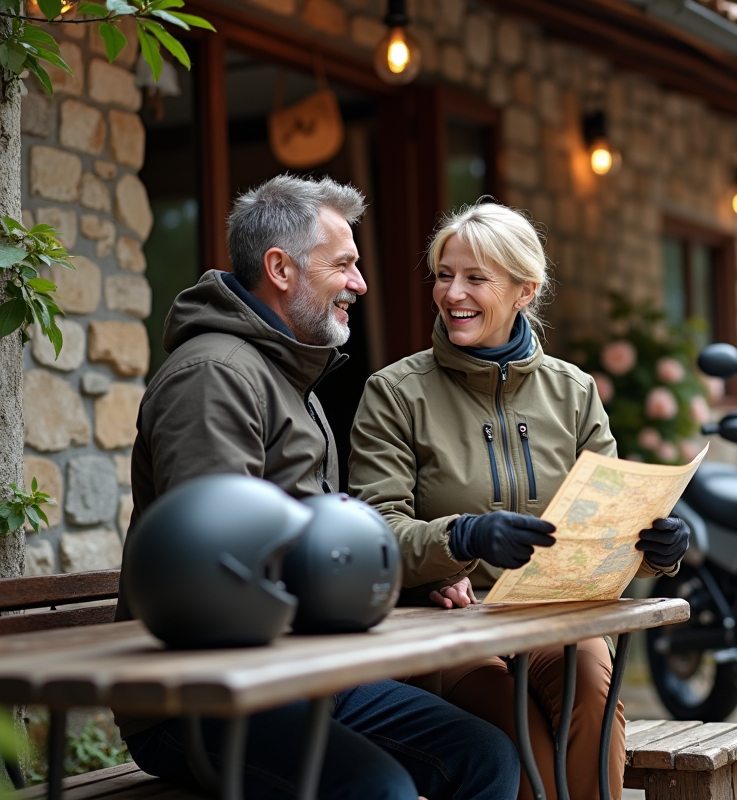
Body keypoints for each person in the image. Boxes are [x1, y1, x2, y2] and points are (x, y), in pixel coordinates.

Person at [116, 175, 520, 800]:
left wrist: (412, 572)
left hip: (299, 672)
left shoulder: (286, 375)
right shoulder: (214, 377)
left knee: (482, 754)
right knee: (378, 789)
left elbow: (319, 530)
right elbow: (220, 566)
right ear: (280, 268)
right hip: (207, 693)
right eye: (344, 264)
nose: (360, 283)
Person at [349, 201, 692, 800]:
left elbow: (614, 517)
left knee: (592, 693)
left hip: (558, 617)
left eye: (476, 278)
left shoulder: (574, 393)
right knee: (525, 747)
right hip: (448, 626)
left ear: (523, 292)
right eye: (444, 274)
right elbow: (373, 533)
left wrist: (658, 546)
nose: (452, 292)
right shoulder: (396, 393)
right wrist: (461, 538)